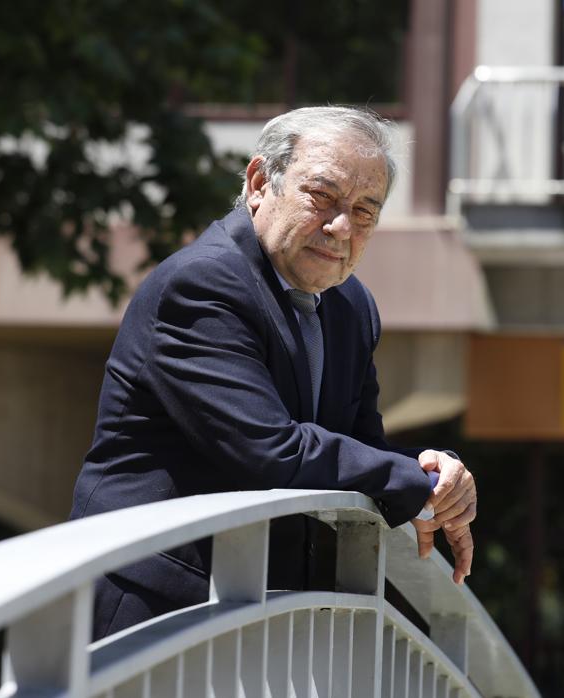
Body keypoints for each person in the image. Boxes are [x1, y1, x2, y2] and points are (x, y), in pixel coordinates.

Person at [69, 106, 476, 640]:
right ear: (260, 182)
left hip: (265, 615)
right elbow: (269, 450)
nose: (340, 228)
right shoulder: (203, 284)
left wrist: (435, 475)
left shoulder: (351, 306)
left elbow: (358, 447)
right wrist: (409, 483)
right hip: (155, 606)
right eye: (323, 197)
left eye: (364, 212)